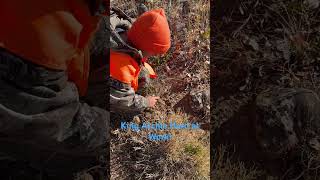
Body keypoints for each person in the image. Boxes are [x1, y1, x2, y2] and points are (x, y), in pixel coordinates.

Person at [0, 0, 109, 179]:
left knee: (103, 39)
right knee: (83, 149)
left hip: (35, 68)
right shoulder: (32, 26)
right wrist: (111, 128)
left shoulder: (76, 10)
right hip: (14, 112)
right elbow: (53, 119)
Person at [109, 8, 171, 113]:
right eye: (154, 52)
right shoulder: (122, 65)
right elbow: (122, 100)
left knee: (143, 74)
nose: (155, 55)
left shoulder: (130, 29)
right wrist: (146, 102)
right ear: (144, 46)